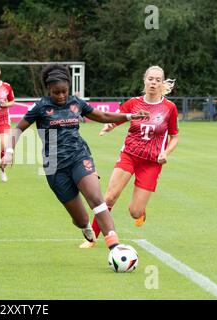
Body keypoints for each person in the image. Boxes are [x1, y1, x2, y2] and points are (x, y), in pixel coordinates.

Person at [0, 65, 149, 251]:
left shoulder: (76, 103)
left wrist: (129, 116)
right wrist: (9, 152)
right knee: (81, 219)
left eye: (64, 91)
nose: (61, 96)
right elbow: (18, 128)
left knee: (96, 198)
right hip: (54, 166)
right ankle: (85, 227)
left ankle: (115, 247)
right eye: (56, 93)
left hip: (79, 157)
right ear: (49, 90)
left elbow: (102, 115)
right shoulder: (41, 107)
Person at [80, 65, 179, 249]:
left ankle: (141, 211)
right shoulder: (134, 103)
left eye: (158, 80)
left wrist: (166, 152)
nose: (153, 83)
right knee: (109, 197)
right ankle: (91, 238)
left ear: (162, 83)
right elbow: (118, 118)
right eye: (150, 79)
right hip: (129, 156)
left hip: (151, 163)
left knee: (134, 212)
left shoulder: (169, 108)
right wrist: (109, 126)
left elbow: (174, 136)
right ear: (144, 80)